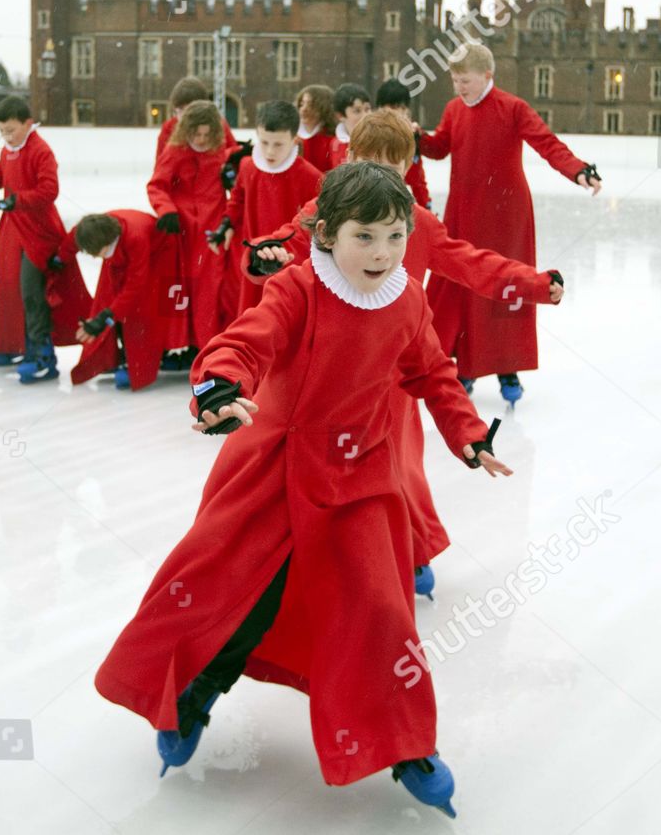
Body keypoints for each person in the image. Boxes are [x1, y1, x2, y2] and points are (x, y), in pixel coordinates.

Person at [96, 163, 511, 817]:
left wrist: (469, 436)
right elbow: (246, 343)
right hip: (277, 470)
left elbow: (432, 371)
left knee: (381, 613)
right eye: (365, 235)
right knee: (242, 596)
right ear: (326, 232)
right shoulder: (299, 289)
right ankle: (193, 691)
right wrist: (220, 384)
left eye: (395, 236)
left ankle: (406, 743)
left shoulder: (405, 298)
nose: (382, 252)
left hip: (362, 478)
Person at [246, 112, 564, 598]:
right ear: (349, 159)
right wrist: (263, 254)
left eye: (392, 169)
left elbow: (476, 266)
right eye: (370, 163)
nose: (379, 178)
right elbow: (285, 243)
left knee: (397, 471)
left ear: (407, 169)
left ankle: (411, 550)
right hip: (326, 372)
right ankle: (303, 552)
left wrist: (536, 285)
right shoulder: (323, 213)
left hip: (394, 374)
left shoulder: (418, 227)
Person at [419, 43, 600, 403]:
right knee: (467, 284)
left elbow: (546, 143)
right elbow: (440, 147)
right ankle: (466, 367)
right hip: (464, 212)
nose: (459, 87)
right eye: (454, 80)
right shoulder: (455, 109)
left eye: (465, 80)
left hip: (506, 216)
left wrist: (578, 170)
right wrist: (415, 138)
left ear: (488, 75)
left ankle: (507, 367)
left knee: (508, 287)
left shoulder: (512, 107)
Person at [0, 96, 91, 383]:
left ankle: (42, 354)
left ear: (28, 123)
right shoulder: (9, 150)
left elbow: (49, 191)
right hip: (13, 229)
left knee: (31, 290)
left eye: (11, 130)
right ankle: (12, 344)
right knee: (7, 286)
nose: (6, 136)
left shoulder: (41, 150)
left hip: (38, 231)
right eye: (1, 131)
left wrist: (16, 201)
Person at [218, 99, 322, 315]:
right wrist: (228, 223)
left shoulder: (310, 177)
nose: (269, 152)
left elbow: (317, 221)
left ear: (294, 141)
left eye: (278, 144)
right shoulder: (248, 166)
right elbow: (238, 197)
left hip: (289, 264)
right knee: (252, 316)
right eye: (264, 142)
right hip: (254, 260)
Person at [63, 211, 185, 391]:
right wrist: (60, 257)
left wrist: (106, 317)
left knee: (143, 311)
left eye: (96, 253)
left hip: (159, 255)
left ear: (105, 245)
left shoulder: (136, 238)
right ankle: (111, 355)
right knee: (107, 300)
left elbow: (135, 285)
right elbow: (75, 233)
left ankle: (141, 361)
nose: (94, 257)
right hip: (126, 254)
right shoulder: (95, 228)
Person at [147, 100, 233, 350]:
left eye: (207, 134)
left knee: (210, 290)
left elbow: (238, 180)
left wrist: (234, 170)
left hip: (211, 230)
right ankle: (181, 345)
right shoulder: (175, 151)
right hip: (182, 231)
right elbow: (156, 185)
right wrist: (166, 210)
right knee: (179, 289)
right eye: (197, 133)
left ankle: (211, 347)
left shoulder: (220, 152)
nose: (202, 139)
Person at [153, 76, 234, 168]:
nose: (185, 115)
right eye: (180, 109)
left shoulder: (218, 125)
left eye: (190, 109)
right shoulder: (169, 127)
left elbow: (233, 157)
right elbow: (161, 166)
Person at [374, 78, 431, 209]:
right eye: (393, 107)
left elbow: (417, 179)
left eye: (403, 107)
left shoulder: (411, 136)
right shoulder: (371, 134)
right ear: (380, 108)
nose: (398, 112)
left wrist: (426, 206)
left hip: (402, 204)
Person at [324, 83, 372, 169]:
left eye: (367, 109)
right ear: (340, 116)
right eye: (357, 111)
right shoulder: (334, 144)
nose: (365, 115)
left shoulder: (379, 140)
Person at [294, 84, 337, 173]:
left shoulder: (334, 140)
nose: (303, 109)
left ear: (324, 108)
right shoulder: (292, 137)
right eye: (302, 104)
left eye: (310, 105)